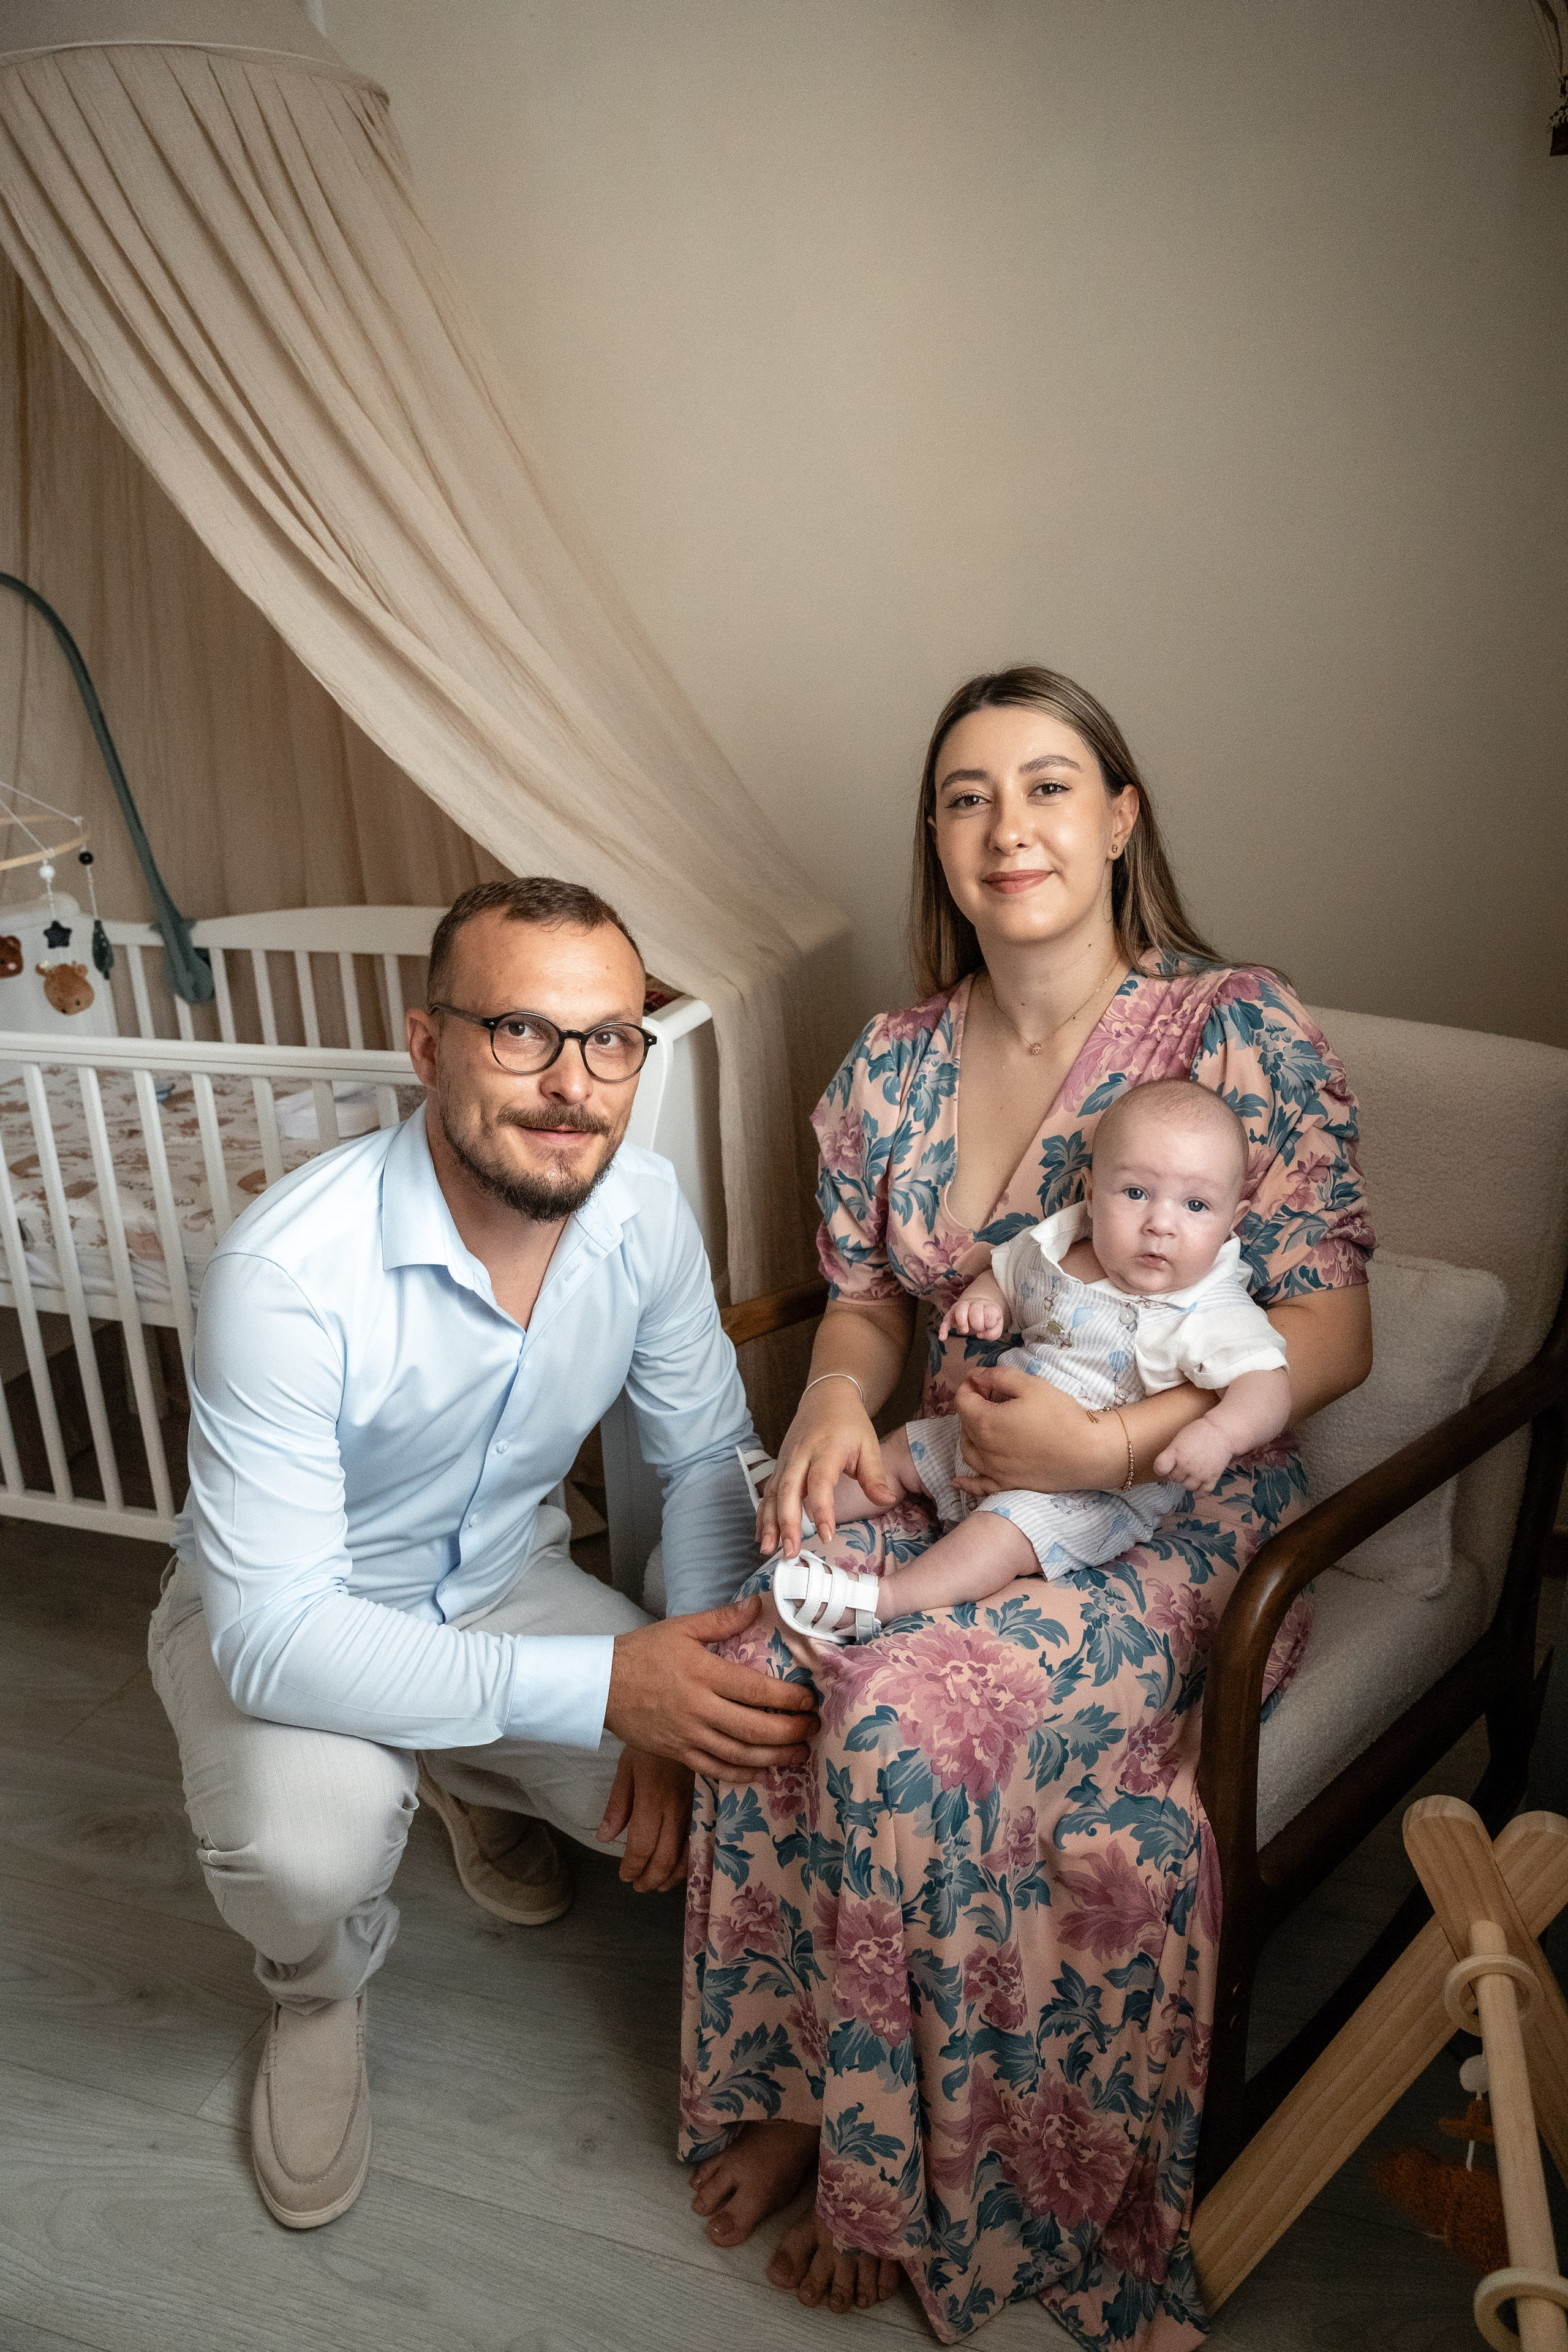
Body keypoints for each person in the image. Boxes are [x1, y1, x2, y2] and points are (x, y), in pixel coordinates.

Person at [680, 668, 1373, 2344]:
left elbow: (1334, 1328)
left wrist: (1115, 1454)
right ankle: (791, 2087)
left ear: (1122, 818)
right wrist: (840, 1395)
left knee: (905, 1711)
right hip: (954, 1466)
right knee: (769, 1634)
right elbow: (861, 1299)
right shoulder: (893, 1061)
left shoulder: (1239, 1033)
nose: (1011, 827)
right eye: (969, 795)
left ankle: (907, 2170)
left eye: (1050, 785)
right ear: (938, 836)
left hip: (1170, 1525)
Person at [149, 875, 816, 2231]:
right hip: (291, 1620)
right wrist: (603, 1692)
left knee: (745, 1803)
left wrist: (672, 1688)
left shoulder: (640, 1211)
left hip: (503, 1592)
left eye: (609, 1040)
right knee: (308, 1857)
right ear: (427, 1045)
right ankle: (314, 1991)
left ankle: (459, 1768)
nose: (571, 1084)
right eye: (521, 1032)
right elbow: (273, 1633)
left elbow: (701, 1459)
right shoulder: (286, 1272)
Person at [766, 1077, 1291, 1643]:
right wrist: (986, 1302)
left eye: (1195, 1205)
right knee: (900, 1449)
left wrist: (1219, 1433)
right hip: (985, 1436)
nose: (1160, 1223)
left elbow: (1270, 1386)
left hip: (1088, 1493)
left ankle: (884, 1599)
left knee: (1001, 1535)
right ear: (1092, 1191)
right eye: (1136, 1193)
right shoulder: (1061, 1248)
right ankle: (788, 1498)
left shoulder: (1212, 1306)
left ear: (1232, 1219)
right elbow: (1008, 1274)